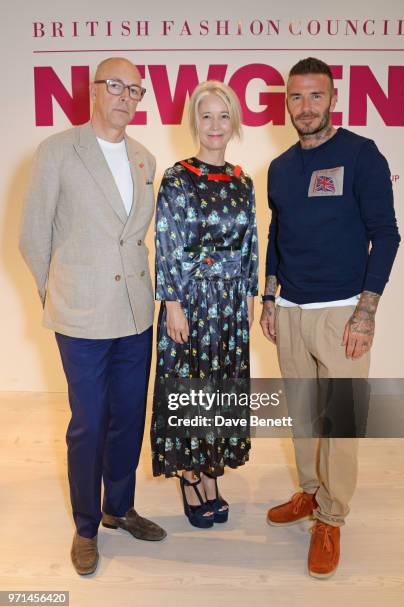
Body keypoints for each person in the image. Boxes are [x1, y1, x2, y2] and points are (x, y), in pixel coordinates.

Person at [19, 57, 166, 576]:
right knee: (89, 423)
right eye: (116, 86)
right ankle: (85, 527)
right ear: (94, 90)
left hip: (135, 315)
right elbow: (33, 235)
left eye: (136, 89)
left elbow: (140, 238)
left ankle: (118, 508)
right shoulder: (59, 151)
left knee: (129, 417)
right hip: (79, 315)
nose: (126, 96)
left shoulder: (147, 158)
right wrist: (55, 294)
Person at [260, 57, 400, 579]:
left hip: (342, 313)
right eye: (295, 97)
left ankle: (332, 515)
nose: (305, 106)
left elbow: (385, 234)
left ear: (333, 99)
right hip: (291, 312)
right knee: (302, 414)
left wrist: (366, 313)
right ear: (287, 103)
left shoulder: (361, 155)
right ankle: (310, 492)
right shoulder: (278, 167)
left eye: (315, 96)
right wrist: (269, 297)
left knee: (339, 423)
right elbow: (276, 235)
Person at [151, 80, 258, 528]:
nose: (215, 125)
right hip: (190, 301)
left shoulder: (242, 180)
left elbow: (252, 240)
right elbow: (167, 240)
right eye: (206, 116)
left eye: (223, 115)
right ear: (194, 122)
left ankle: (212, 469)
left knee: (220, 387)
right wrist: (172, 302)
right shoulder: (177, 177)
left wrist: (250, 292)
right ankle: (190, 473)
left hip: (231, 302)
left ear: (234, 122)